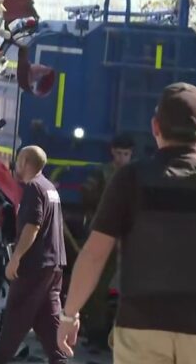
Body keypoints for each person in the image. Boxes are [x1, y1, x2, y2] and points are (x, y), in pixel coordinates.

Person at [56, 82, 196, 364]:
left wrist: (70, 315)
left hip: (141, 329)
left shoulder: (128, 181)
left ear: (156, 127)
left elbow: (93, 255)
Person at [0, 145, 68, 364]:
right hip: (54, 263)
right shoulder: (50, 187)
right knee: (48, 320)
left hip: (35, 265)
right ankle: (59, 360)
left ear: (24, 162)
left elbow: (32, 226)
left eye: (18, 160)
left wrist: (15, 259)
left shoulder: (33, 187)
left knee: (16, 315)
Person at [75, 133, 135, 350]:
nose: (121, 158)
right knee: (98, 287)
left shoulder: (136, 176)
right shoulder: (103, 173)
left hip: (129, 239)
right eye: (118, 153)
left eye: (125, 154)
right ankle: (97, 334)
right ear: (112, 152)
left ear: (131, 154)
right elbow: (87, 197)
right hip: (106, 238)